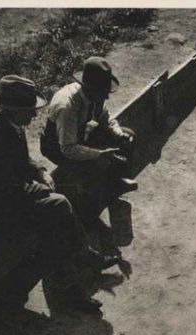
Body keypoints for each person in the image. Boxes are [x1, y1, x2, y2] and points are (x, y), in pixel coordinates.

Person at [0, 75, 119, 312]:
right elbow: (13, 188)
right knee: (57, 208)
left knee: (56, 213)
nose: (34, 115)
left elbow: (22, 160)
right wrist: (43, 189)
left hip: (6, 195)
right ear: (13, 109)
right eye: (29, 110)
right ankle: (73, 282)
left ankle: (80, 265)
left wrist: (41, 171)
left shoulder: (8, 123)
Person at [40, 56, 137, 224]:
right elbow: (68, 148)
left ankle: (115, 184)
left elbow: (106, 118)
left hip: (78, 136)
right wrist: (98, 154)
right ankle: (88, 217)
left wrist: (119, 134)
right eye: (103, 92)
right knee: (93, 168)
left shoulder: (94, 96)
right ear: (90, 89)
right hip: (57, 147)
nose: (106, 97)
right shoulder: (67, 106)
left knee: (128, 135)